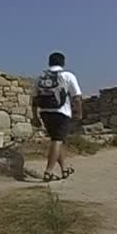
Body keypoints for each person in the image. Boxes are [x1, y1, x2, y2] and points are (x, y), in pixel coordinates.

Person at [32, 52, 83, 182]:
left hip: (44, 113)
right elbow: (76, 97)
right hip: (61, 112)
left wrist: (35, 117)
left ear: (49, 63)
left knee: (56, 140)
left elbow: (34, 99)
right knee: (57, 141)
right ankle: (48, 172)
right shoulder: (67, 76)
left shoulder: (40, 78)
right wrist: (79, 112)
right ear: (63, 63)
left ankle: (64, 169)